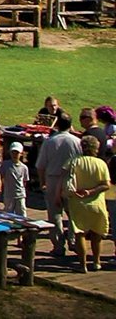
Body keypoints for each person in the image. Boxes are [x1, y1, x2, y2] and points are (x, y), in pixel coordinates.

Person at [67, 135, 113, 272]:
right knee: (97, 234)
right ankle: (96, 262)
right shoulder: (101, 164)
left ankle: (83, 265)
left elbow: (67, 180)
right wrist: (92, 191)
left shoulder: (74, 162)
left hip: (78, 202)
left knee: (80, 233)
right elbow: (106, 185)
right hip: (97, 203)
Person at [40, 113, 83, 255]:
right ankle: (73, 240)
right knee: (73, 213)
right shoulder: (77, 141)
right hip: (71, 179)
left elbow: (41, 165)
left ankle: (58, 245)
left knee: (54, 214)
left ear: (57, 125)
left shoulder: (50, 141)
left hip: (53, 178)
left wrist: (42, 182)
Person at [2, 141, 30, 216]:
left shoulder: (24, 167)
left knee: (22, 213)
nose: (14, 155)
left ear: (21, 154)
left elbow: (25, 181)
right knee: (8, 214)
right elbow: (1, 175)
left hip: (20, 194)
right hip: (9, 194)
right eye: (13, 152)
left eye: (17, 153)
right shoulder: (5, 164)